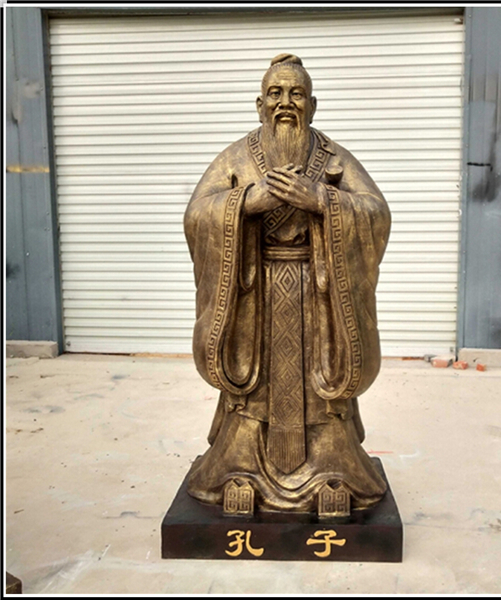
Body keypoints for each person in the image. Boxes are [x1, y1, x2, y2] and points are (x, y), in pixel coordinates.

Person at [183, 54, 391, 513]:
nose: (285, 103)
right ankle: (240, 470)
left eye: (296, 94)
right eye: (275, 93)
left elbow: (376, 213)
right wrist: (244, 203)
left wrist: (322, 200)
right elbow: (197, 215)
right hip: (253, 296)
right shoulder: (237, 157)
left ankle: (332, 471)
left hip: (319, 295)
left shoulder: (333, 157)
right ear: (259, 104)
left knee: (324, 392)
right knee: (251, 394)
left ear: (312, 105)